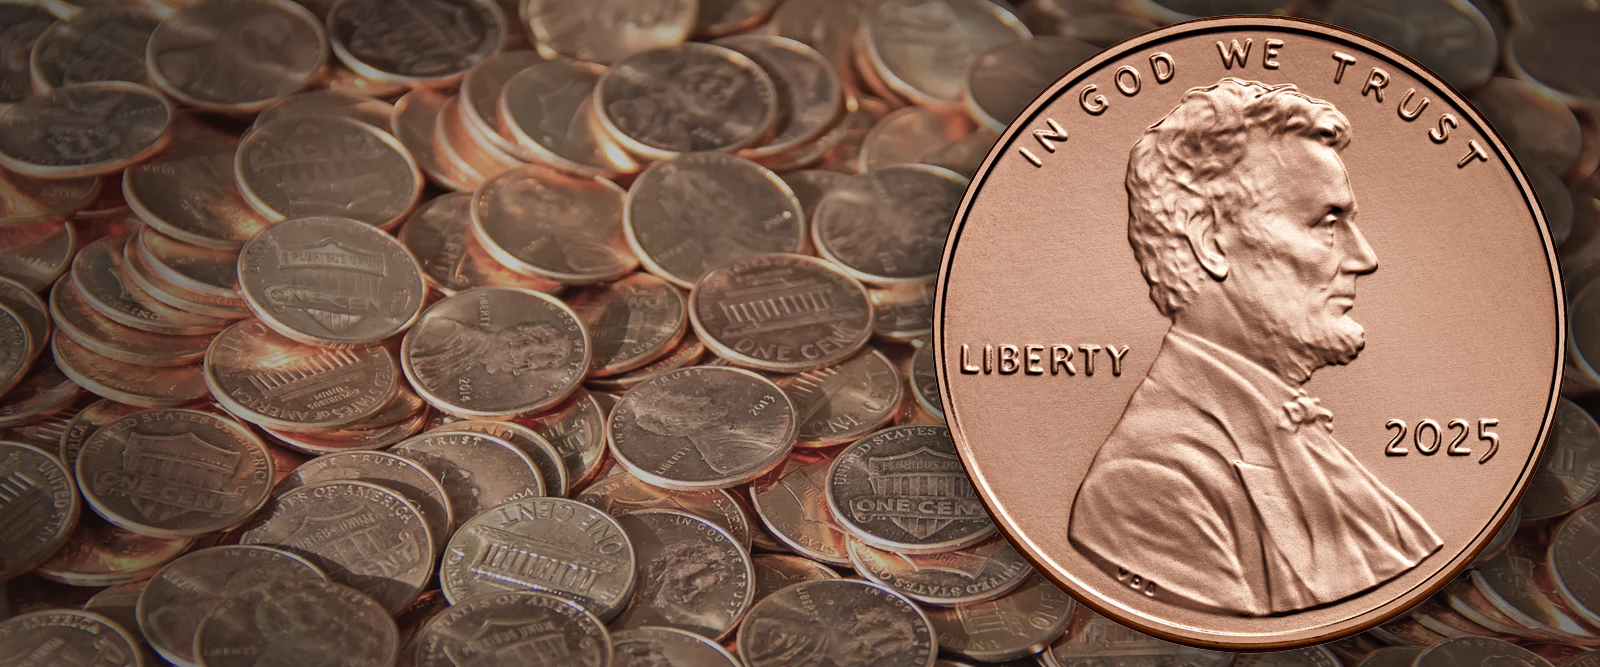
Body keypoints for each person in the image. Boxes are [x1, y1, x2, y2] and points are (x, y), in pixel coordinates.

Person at [1068, 78, 1441, 616]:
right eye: (1327, 222)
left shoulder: (1293, 431)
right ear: (1209, 240)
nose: (1365, 257)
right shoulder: (1150, 482)